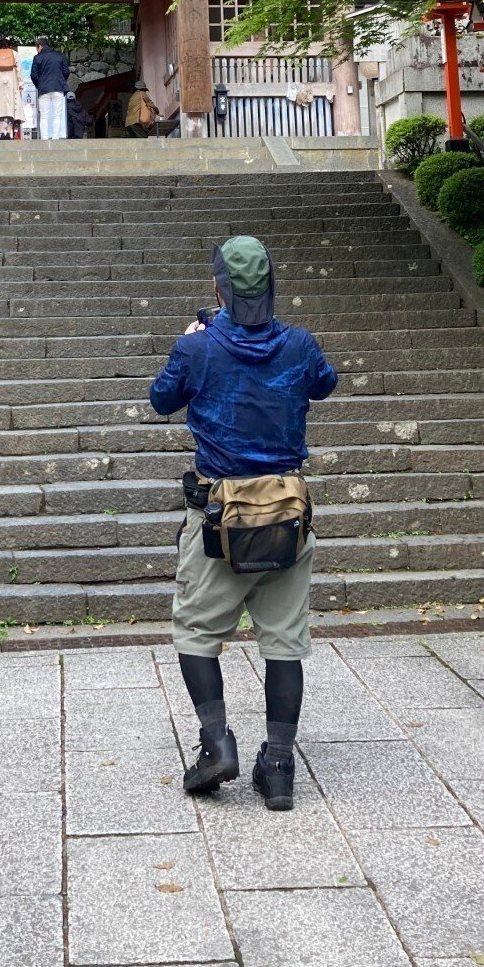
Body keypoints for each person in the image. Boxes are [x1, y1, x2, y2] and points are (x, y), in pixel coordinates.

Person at [149, 237, 337, 811]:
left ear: (218, 289)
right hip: (285, 513)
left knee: (197, 634)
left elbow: (162, 401)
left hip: (218, 516)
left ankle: (216, 744)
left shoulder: (198, 350)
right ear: (270, 284)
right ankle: (279, 766)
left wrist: (191, 342)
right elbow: (324, 384)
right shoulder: (299, 346)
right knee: (284, 643)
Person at [30, 36, 70, 140]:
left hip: (44, 89)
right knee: (57, 115)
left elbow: (33, 75)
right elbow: (66, 72)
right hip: (58, 87)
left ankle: (44, 139)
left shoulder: (37, 58)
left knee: (44, 116)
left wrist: (39, 85)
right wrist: (61, 81)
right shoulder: (59, 56)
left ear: (39, 47)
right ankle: (56, 138)